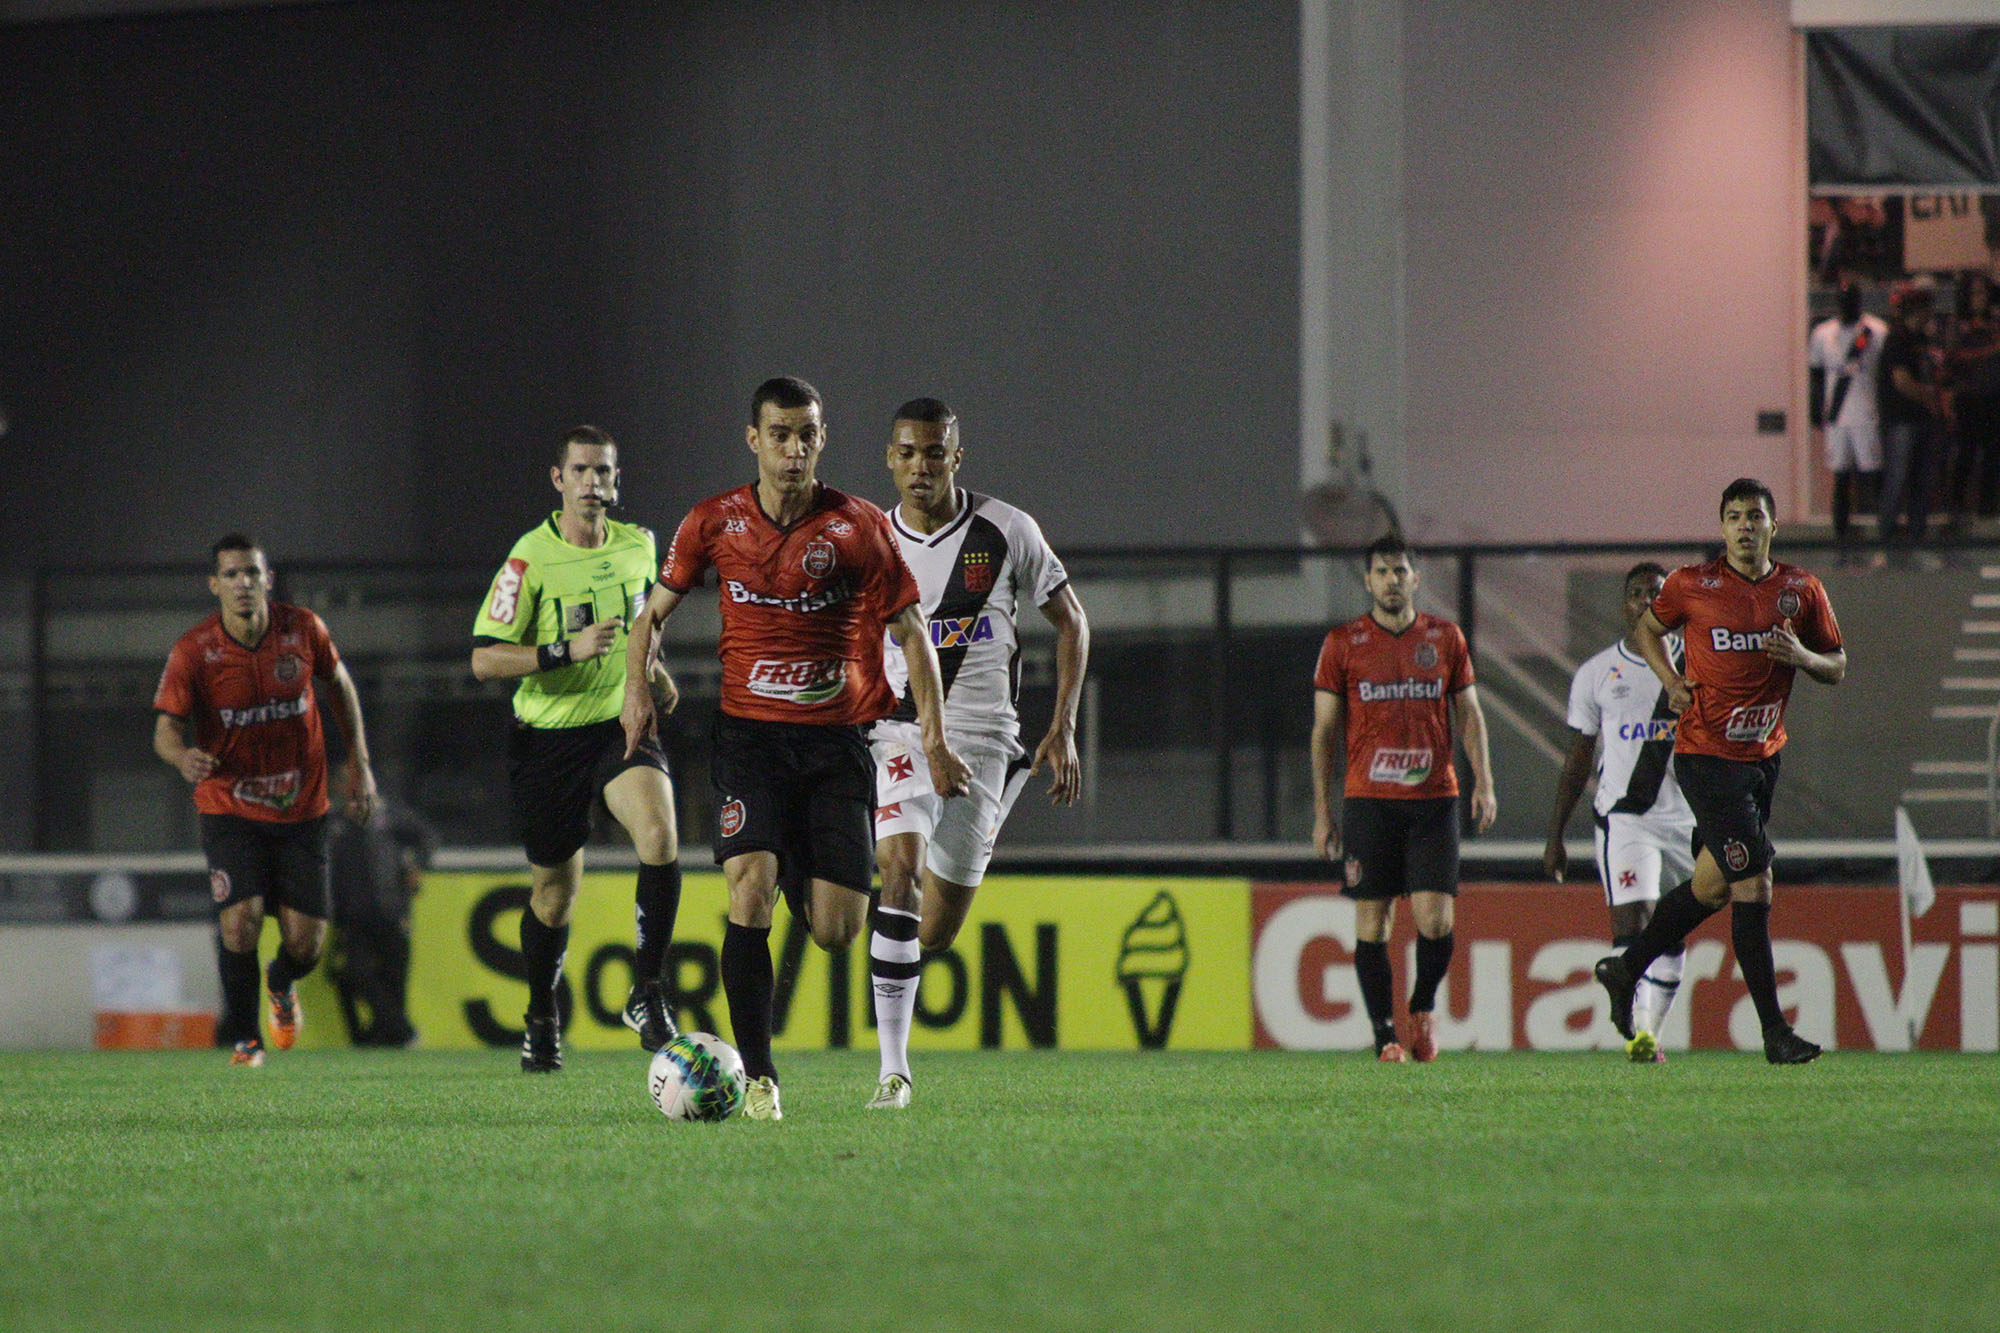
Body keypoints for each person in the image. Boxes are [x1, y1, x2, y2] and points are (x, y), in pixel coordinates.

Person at [621, 376, 968, 1122]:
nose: (793, 447)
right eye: (779, 433)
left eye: (806, 433)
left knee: (840, 928)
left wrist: (934, 736)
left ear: (823, 438)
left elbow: (913, 633)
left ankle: (801, 863)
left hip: (838, 742)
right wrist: (636, 689)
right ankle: (759, 1078)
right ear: (754, 439)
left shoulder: (858, 526)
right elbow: (649, 617)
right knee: (748, 887)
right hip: (749, 736)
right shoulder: (713, 521)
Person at [863, 398, 1090, 1110]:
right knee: (896, 870)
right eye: (908, 453)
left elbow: (1072, 621)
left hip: (986, 743)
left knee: (934, 930)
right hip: (899, 731)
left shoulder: (1007, 530)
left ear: (957, 456)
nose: (921, 466)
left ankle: (896, 950)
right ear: (889, 459)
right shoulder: (870, 538)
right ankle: (893, 1072)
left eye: (935, 453)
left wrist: (1064, 725)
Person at [1595, 478, 1845, 1065]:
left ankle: (1625, 968)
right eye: (1734, 516)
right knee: (1753, 884)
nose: (1744, 526)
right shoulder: (1691, 585)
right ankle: (1774, 1033)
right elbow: (1647, 630)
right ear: (1723, 526)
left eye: (1755, 516)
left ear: (1772, 526)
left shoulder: (1801, 589)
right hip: (1706, 758)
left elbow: (1836, 665)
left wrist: (1803, 658)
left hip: (1762, 758)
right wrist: (1670, 682)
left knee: (1709, 887)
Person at [471, 426, 684, 1073]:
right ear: (558, 479)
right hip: (547, 739)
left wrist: (654, 671)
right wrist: (564, 649)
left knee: (660, 836)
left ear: (616, 481)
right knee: (555, 895)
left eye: (605, 472)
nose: (595, 482)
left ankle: (646, 991)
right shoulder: (529, 558)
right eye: (582, 470)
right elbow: (484, 658)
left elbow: (646, 621)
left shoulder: (639, 545)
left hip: (618, 723)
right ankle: (540, 1015)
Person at [152, 533, 379, 1066]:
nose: (243, 584)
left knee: (306, 946)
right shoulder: (194, 651)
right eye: (231, 575)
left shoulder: (303, 630)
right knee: (240, 922)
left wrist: (360, 765)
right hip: (229, 807)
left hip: (303, 809)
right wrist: (182, 757)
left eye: (252, 573)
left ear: (267, 580)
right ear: (215, 585)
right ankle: (246, 1038)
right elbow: (164, 730)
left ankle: (281, 981)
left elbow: (341, 685)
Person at [1310, 534, 1498, 1062]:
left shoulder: (1445, 638)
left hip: (1435, 799)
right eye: (1382, 572)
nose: (1392, 581)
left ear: (1417, 578)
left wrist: (1484, 781)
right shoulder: (1343, 643)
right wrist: (1323, 814)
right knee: (1374, 923)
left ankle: (1422, 1005)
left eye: (1401, 572)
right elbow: (1324, 732)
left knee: (1436, 922)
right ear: (1368, 580)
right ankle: (1384, 1036)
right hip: (1368, 800)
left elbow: (1469, 715)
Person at [1543, 562, 1696, 1063]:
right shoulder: (1596, 674)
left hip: (1688, 819)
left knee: (1670, 933)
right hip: (1625, 817)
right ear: (1624, 605)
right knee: (1635, 921)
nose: (1648, 600)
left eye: (1658, 592)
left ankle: (1651, 1028)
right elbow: (1578, 759)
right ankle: (1639, 1038)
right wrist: (1556, 833)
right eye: (1638, 593)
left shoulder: (1699, 666)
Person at [328, 789, 435, 1047]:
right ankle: (400, 1031)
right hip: (354, 915)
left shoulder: (391, 817)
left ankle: (384, 1037)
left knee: (394, 978)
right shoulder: (335, 825)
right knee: (357, 973)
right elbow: (333, 874)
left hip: (392, 908)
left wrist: (415, 866)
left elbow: (427, 838)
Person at [1806, 279, 1887, 558]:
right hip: (1837, 417)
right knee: (1840, 476)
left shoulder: (1876, 331)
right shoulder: (1821, 333)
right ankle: (1840, 532)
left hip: (1867, 414)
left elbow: (1886, 374)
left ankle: (1882, 531)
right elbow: (1816, 375)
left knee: (1873, 474)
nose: (1846, 305)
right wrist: (1816, 410)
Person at [1877, 277, 1944, 563]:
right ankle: (1887, 530)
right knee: (1898, 474)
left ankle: (1917, 527)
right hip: (1901, 419)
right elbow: (1901, 380)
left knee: (1922, 476)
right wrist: (1929, 399)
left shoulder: (1921, 340)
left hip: (1921, 419)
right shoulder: (1898, 339)